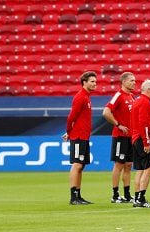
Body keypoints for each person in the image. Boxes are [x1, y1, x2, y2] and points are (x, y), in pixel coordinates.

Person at [103, 71, 136, 204]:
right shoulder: (119, 95)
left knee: (128, 165)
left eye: (134, 80)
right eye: (131, 80)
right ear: (124, 82)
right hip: (120, 137)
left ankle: (127, 194)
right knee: (119, 165)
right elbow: (106, 112)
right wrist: (118, 124)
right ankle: (115, 194)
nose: (134, 83)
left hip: (130, 137)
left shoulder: (132, 97)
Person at [64, 71, 96, 205]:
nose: (95, 84)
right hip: (78, 136)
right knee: (77, 164)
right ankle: (73, 197)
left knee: (81, 165)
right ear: (84, 82)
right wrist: (69, 131)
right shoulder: (80, 97)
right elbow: (72, 116)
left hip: (83, 136)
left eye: (95, 81)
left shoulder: (86, 97)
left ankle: (78, 195)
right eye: (92, 81)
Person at [130, 79, 150, 208]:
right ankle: (141, 198)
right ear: (148, 90)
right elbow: (144, 124)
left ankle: (137, 198)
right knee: (149, 168)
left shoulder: (137, 101)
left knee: (140, 169)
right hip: (142, 139)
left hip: (135, 138)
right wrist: (147, 142)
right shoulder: (145, 102)